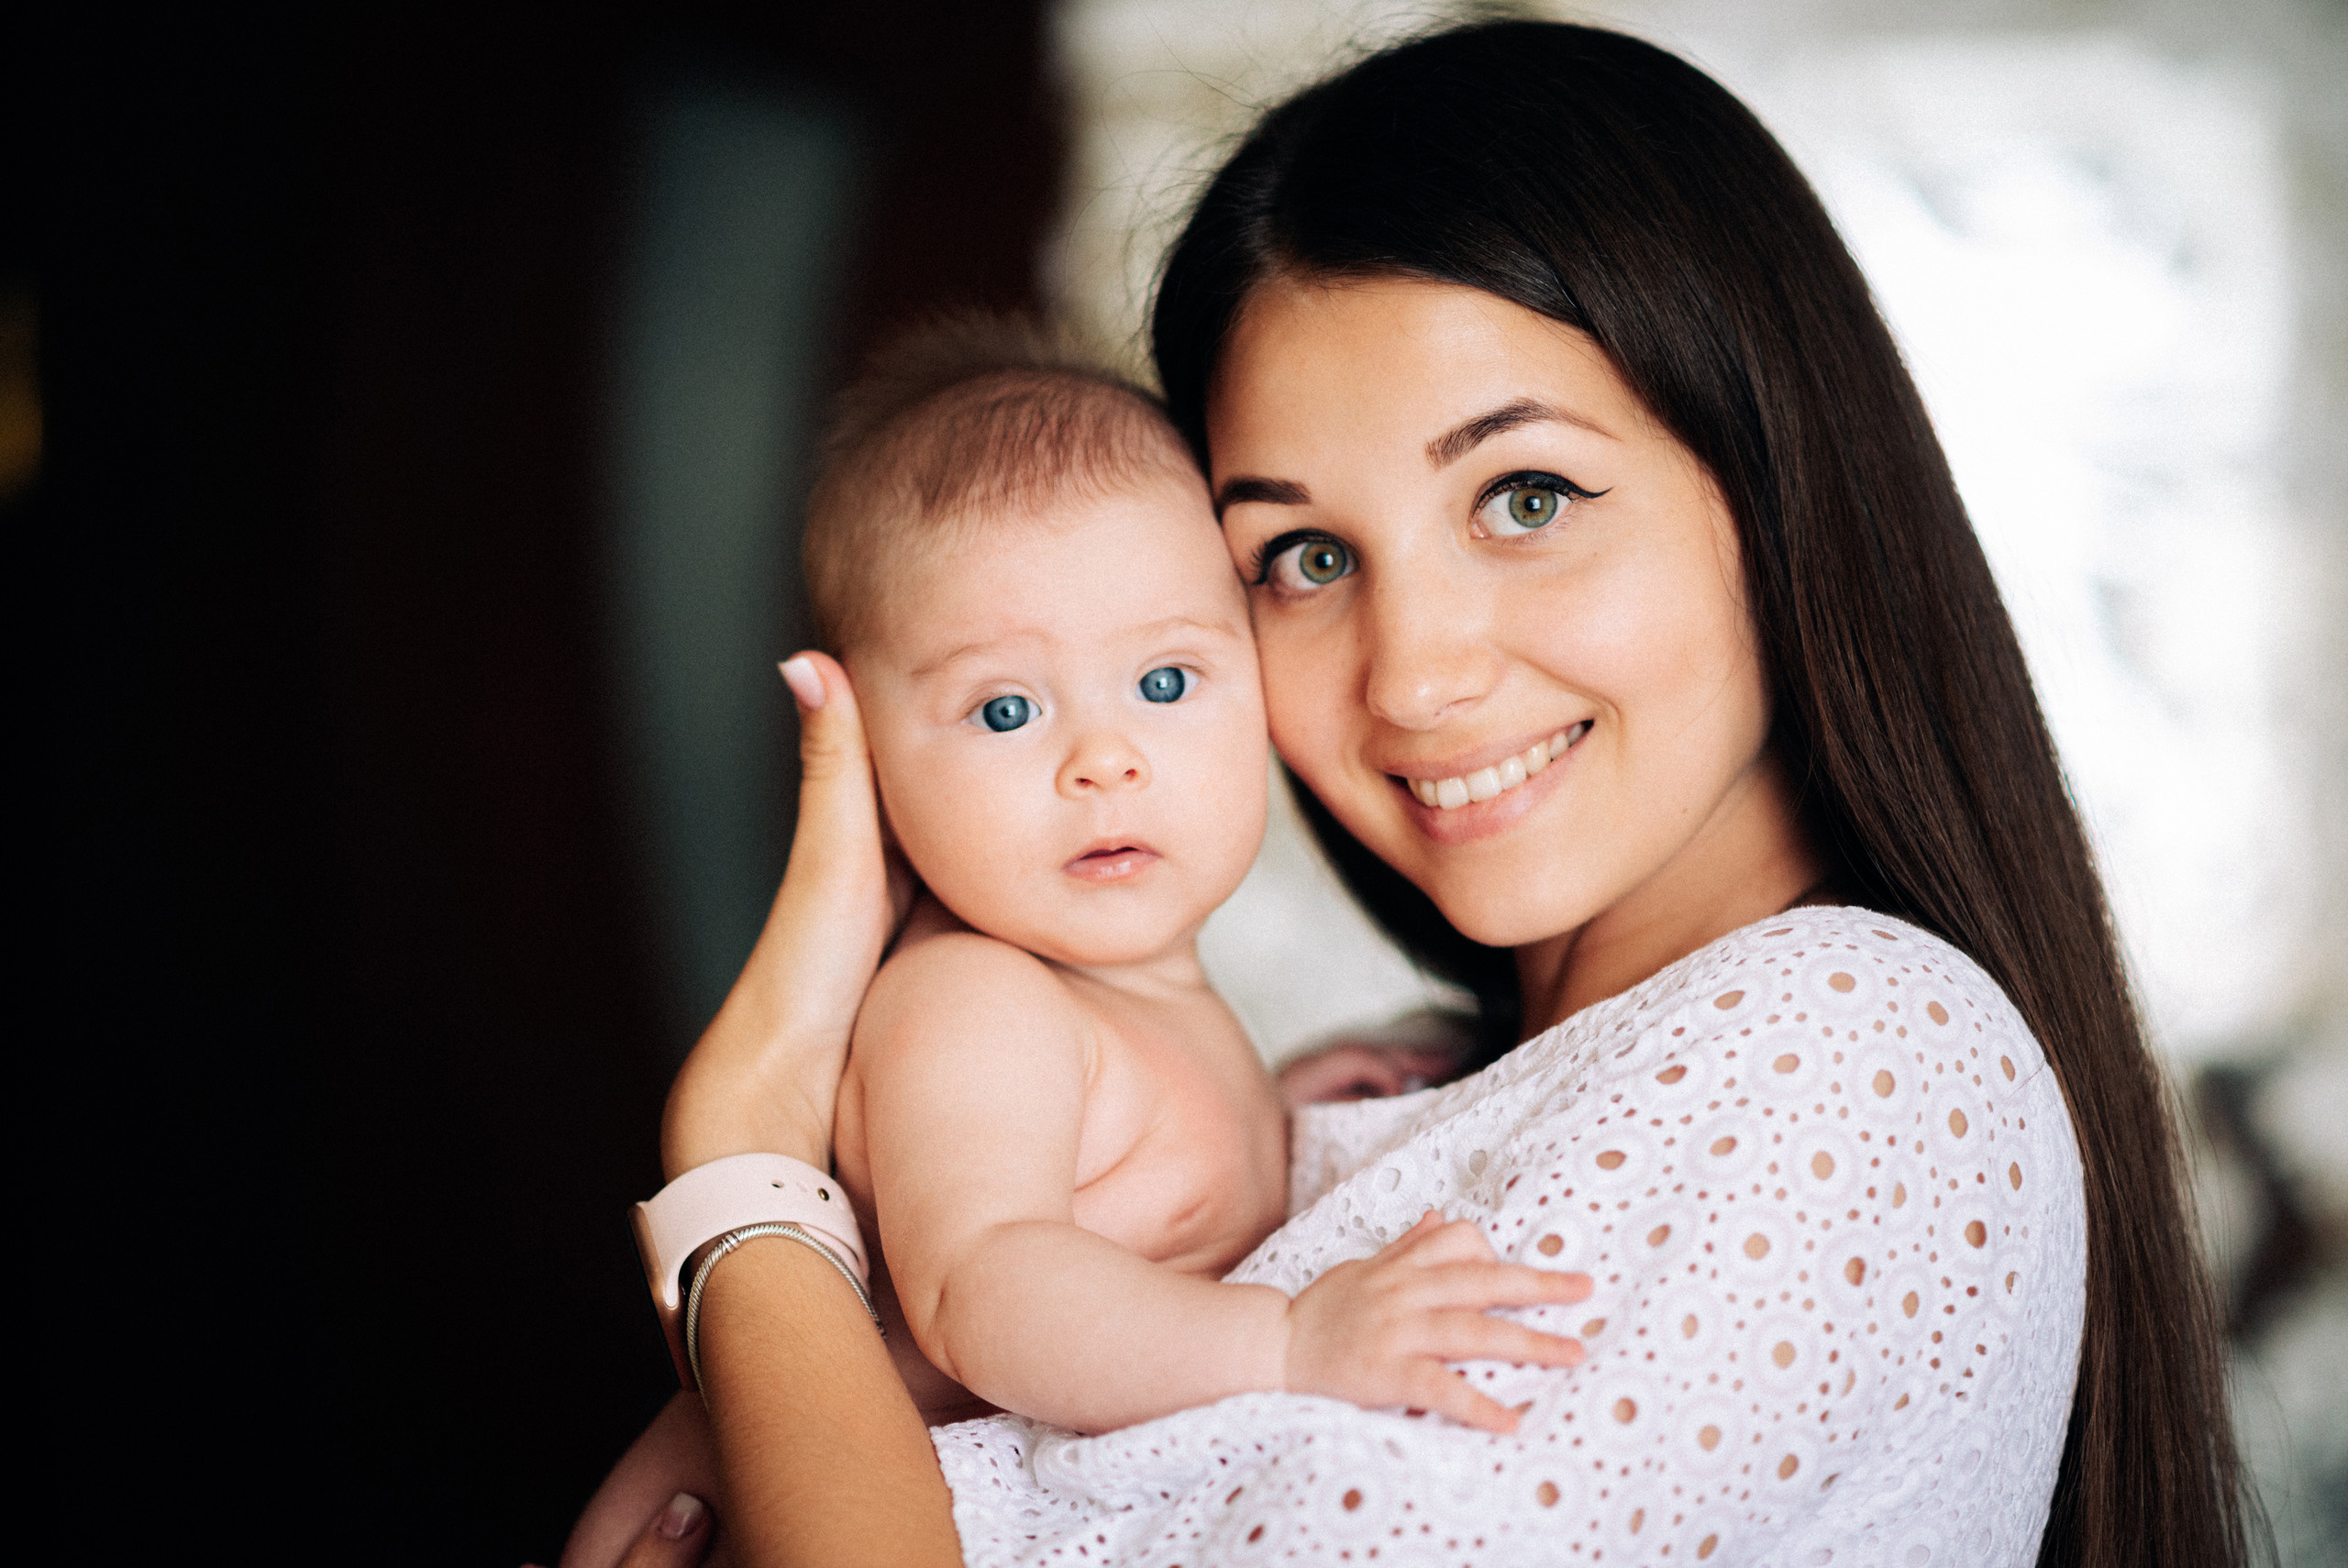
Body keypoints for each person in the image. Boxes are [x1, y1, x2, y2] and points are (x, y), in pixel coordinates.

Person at [567, 20, 2254, 1568]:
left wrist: (740, 1185)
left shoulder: (1853, 1047)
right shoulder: (1393, 1099)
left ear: (1774, 479)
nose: (1416, 675)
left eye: (1525, 496)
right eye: (1303, 556)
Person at [801, 319, 1589, 1433]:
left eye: (1166, 683)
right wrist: (1285, 1338)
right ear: (862, 745)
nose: (1104, 760)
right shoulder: (972, 1003)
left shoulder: (1119, 1000)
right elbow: (981, 1288)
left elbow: (1127, 1197)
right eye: (1006, 709)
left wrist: (1279, 1125)